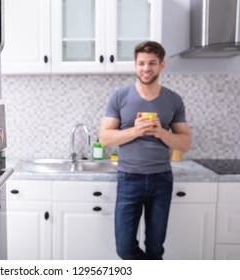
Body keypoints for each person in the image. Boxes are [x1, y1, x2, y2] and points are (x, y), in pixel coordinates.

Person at [99, 41, 191, 260]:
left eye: (152, 63)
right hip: (129, 178)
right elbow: (104, 138)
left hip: (161, 179)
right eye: (141, 63)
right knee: (124, 248)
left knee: (155, 247)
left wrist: (161, 132)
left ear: (162, 65)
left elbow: (185, 143)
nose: (146, 68)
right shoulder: (120, 96)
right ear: (135, 65)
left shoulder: (173, 100)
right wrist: (135, 131)